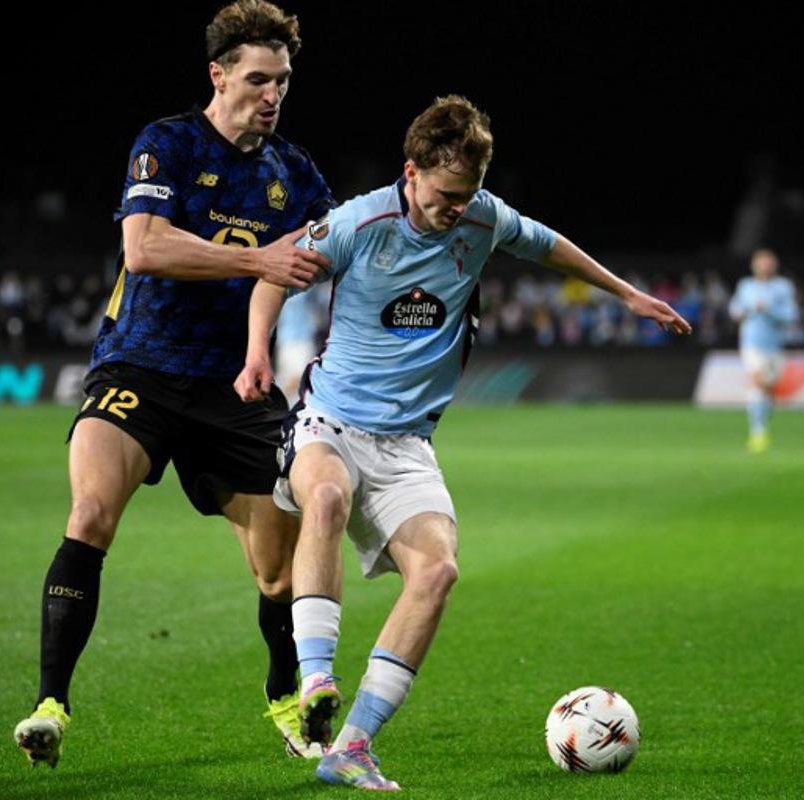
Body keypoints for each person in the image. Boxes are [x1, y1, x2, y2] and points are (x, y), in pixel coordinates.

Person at [235, 95, 692, 790]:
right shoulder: (360, 221)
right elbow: (276, 272)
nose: (458, 210)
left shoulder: (483, 216)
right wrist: (255, 354)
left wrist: (625, 295)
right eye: (447, 195)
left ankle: (352, 746)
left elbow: (547, 243)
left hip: (408, 444)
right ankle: (316, 681)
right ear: (411, 172)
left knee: (438, 571)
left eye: (469, 195)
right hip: (329, 423)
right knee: (324, 497)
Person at [13, 0, 335, 768]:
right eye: (257, 79)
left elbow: (339, 252)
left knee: (278, 570)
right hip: (140, 369)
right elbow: (148, 247)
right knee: (90, 513)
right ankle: (51, 704)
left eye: (282, 80)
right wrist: (260, 258)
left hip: (236, 389)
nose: (272, 94)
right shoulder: (166, 145)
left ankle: (284, 694)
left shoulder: (295, 173)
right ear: (217, 76)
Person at [728, 248, 798, 452]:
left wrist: (769, 309)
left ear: (775, 265)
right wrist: (747, 310)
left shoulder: (783, 287)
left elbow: (790, 315)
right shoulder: (746, 286)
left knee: (767, 389)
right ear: (754, 265)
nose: (764, 266)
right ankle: (757, 432)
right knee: (758, 384)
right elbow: (734, 310)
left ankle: (762, 425)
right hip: (751, 343)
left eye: (768, 262)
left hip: (774, 345)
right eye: (761, 262)